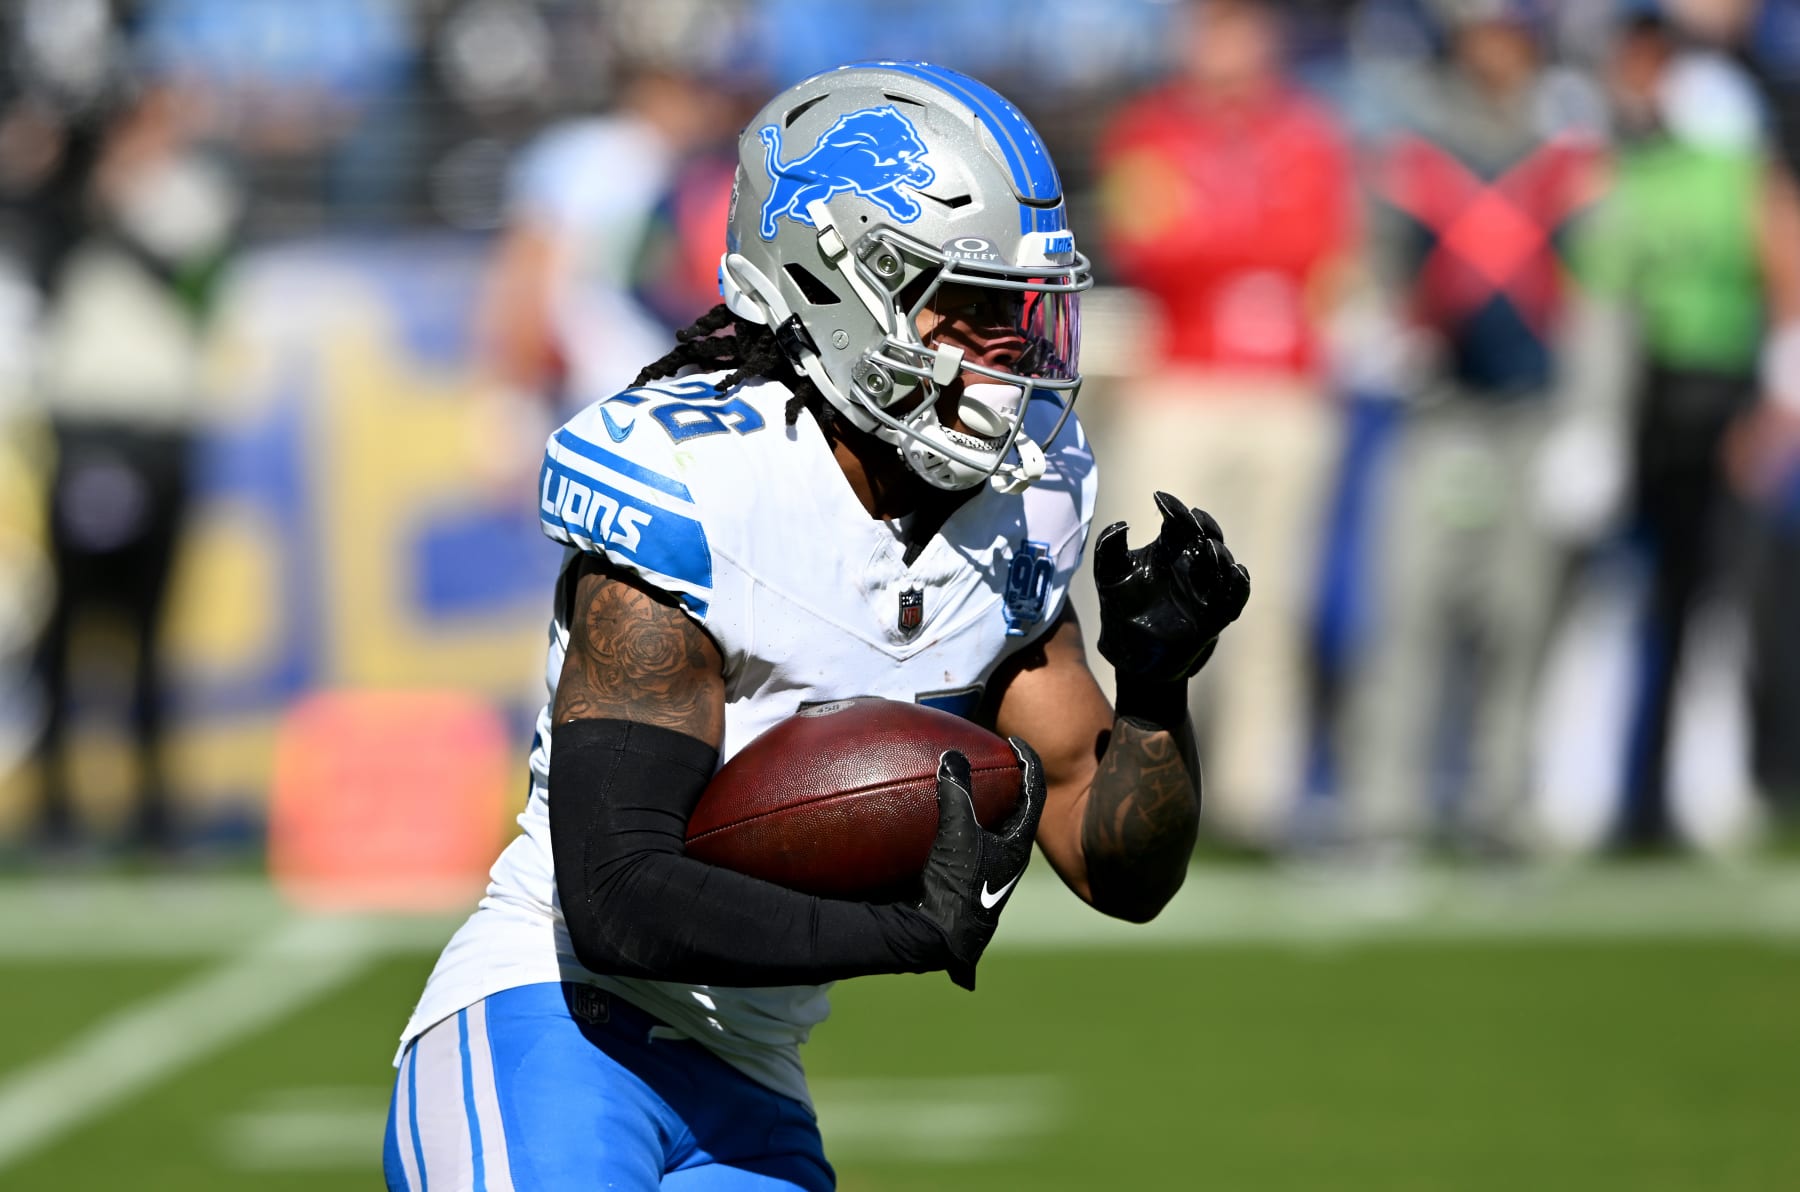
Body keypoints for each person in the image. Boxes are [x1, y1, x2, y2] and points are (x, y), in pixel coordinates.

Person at [385, 61, 1249, 1190]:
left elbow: (1117, 866)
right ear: (838, 288)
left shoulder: (1016, 506)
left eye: (1023, 311)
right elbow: (615, 897)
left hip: (750, 1071)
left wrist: (1155, 688)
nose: (1012, 348)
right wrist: (909, 932)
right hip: (553, 1023)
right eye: (972, 304)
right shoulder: (697, 477)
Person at [1342, 0, 1603, 854]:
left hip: (1534, 414)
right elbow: (1377, 258)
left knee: (1521, 619)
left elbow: (1600, 292)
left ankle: (1501, 807)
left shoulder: (1569, 150)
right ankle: (1386, 810)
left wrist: (1594, 417)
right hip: (1436, 412)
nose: (1495, 49)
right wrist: (1377, 326)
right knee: (1408, 610)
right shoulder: (1416, 143)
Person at [1093, 0, 1355, 848]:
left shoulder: (1309, 132)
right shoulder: (1148, 131)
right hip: (1184, 381)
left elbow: (1324, 244)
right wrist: (1249, 249)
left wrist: (1226, 241)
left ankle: (1256, 798)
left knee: (1271, 600)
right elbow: (1147, 243)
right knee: (1146, 590)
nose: (1223, 44)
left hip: (1285, 388)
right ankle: (1119, 781)